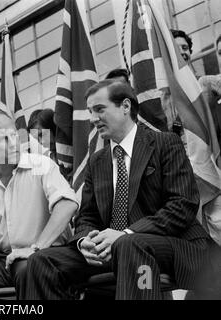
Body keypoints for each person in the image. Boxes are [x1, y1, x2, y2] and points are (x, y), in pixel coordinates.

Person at [24, 80, 212, 300]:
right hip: (114, 251)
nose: (93, 119)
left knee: (130, 245)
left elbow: (182, 205)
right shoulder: (96, 162)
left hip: (177, 247)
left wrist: (125, 234)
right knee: (41, 262)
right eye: (90, 112)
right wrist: (84, 241)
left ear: (125, 106)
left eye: (100, 109)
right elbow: (86, 217)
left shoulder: (165, 143)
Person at [0, 106, 79, 300]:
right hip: (2, 260)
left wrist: (36, 248)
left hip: (45, 252)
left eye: (14, 136)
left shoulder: (42, 165)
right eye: (4, 139)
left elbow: (67, 205)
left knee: (27, 267)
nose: (14, 143)